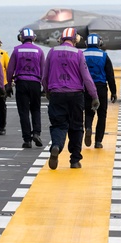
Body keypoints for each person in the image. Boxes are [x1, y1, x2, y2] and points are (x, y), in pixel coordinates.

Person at [42, 27, 98, 170]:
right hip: (75, 95)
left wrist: (47, 90)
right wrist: (94, 96)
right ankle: (74, 160)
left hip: (56, 93)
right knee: (77, 127)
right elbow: (86, 77)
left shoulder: (52, 52)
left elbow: (45, 75)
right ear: (75, 40)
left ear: (61, 39)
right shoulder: (79, 53)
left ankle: (56, 146)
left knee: (58, 125)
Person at [7, 28, 45, 149]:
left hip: (21, 82)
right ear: (34, 38)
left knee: (23, 112)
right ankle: (37, 133)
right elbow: (43, 70)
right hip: (35, 83)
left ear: (21, 38)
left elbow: (10, 69)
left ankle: (27, 139)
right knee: (35, 109)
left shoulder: (16, 50)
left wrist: (8, 85)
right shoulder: (39, 51)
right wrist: (45, 87)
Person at [83, 34, 118, 148]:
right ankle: (98, 141)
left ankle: (88, 128)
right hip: (101, 87)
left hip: (86, 88)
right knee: (102, 115)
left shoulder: (82, 54)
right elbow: (110, 75)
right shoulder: (104, 55)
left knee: (89, 112)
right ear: (99, 43)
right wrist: (113, 91)